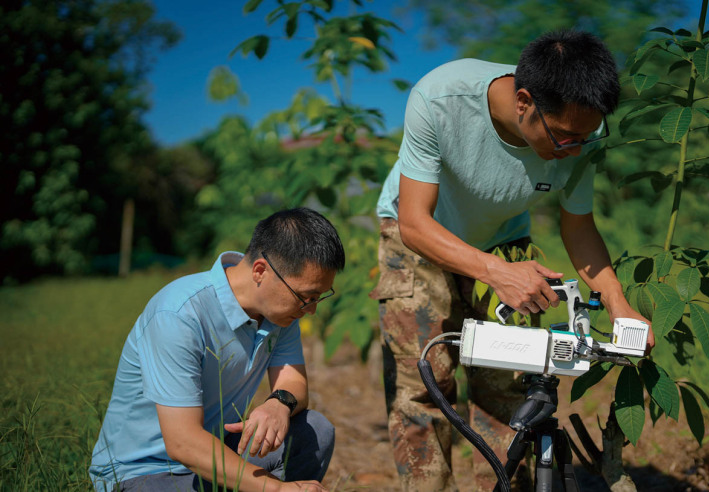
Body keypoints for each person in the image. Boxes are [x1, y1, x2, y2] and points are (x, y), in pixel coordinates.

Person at [370, 30, 656, 491]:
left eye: (584, 138)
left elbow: (579, 227)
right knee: (425, 385)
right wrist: (495, 273)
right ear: (523, 101)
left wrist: (620, 305)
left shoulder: (584, 132)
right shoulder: (441, 98)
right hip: (418, 238)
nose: (575, 151)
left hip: (504, 240)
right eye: (564, 138)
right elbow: (414, 223)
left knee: (512, 388)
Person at [90, 208, 344, 492]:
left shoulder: (281, 314)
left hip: (215, 450)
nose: (311, 310)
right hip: (145, 471)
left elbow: (294, 383)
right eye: (306, 297)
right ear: (260, 271)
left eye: (319, 298)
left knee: (314, 431)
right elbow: (182, 443)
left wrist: (278, 403)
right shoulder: (179, 315)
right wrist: (278, 489)